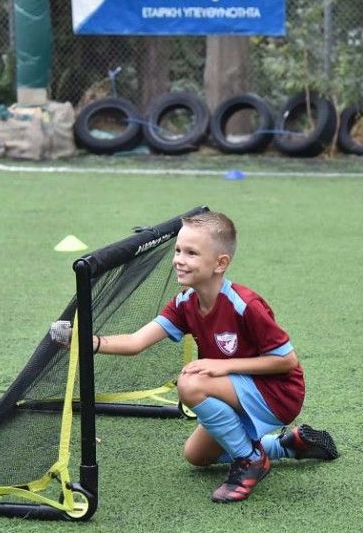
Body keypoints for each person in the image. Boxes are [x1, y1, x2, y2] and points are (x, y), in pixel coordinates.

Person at [52, 211, 338, 503]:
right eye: (178, 250)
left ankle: (250, 459)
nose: (178, 259)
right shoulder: (185, 303)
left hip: (278, 393)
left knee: (190, 381)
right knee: (196, 456)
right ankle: (288, 444)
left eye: (191, 253)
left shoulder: (245, 304)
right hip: (234, 389)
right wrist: (85, 341)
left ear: (220, 263)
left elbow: (287, 361)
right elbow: (137, 342)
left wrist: (220, 366)